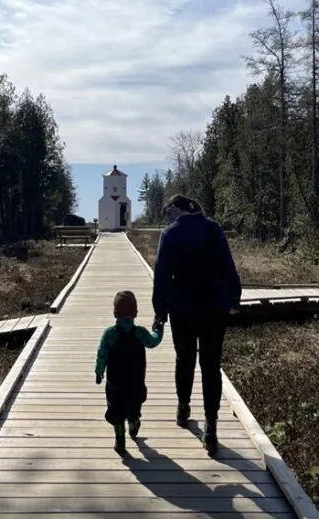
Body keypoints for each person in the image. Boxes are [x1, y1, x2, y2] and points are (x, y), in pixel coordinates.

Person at [152, 195, 241, 457]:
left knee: (184, 358)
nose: (168, 216)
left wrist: (160, 311)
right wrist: (234, 298)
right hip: (214, 308)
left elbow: (161, 276)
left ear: (178, 209)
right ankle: (211, 426)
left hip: (182, 308)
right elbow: (228, 266)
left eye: (169, 211)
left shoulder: (170, 234)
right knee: (211, 365)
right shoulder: (214, 230)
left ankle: (183, 408)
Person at [95, 289, 163, 453]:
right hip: (135, 381)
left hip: (115, 382)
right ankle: (133, 424)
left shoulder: (109, 334)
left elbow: (102, 353)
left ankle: (120, 438)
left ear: (115, 312)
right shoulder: (140, 333)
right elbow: (153, 342)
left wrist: (99, 371)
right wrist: (158, 329)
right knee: (134, 406)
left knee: (116, 409)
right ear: (135, 312)